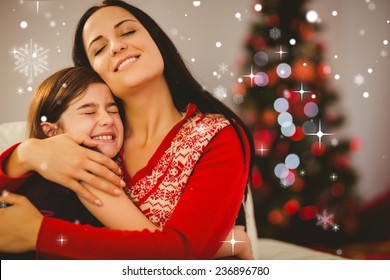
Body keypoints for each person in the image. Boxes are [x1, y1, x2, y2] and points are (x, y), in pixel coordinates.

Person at [0, 0, 255, 259]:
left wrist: (41, 234)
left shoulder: (217, 135)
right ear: (93, 74)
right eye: (99, 48)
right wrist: (26, 153)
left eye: (128, 32)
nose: (117, 46)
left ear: (156, 41)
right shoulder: (94, 141)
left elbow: (184, 254)